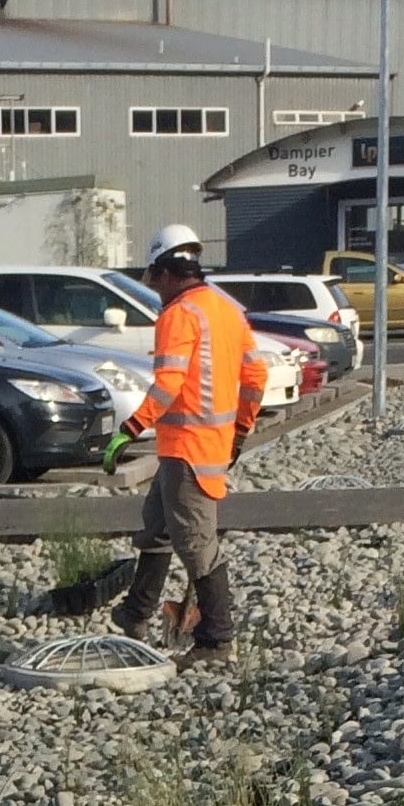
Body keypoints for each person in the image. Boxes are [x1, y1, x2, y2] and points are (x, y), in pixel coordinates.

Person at [102, 220, 266, 664]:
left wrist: (130, 429)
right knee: (156, 527)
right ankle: (136, 613)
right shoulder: (225, 309)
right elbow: (256, 375)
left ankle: (216, 639)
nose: (153, 288)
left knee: (196, 544)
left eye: (152, 278)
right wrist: (240, 432)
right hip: (209, 445)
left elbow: (169, 383)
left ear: (164, 272)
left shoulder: (178, 314)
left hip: (187, 449)